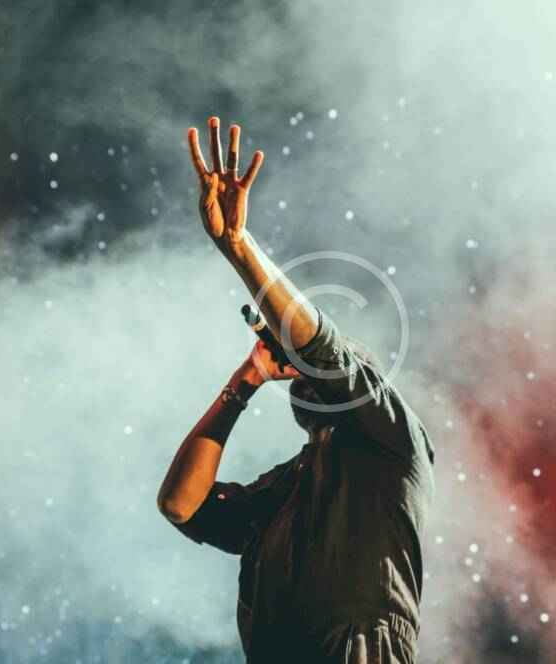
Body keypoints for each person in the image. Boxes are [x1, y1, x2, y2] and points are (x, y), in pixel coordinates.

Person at [157, 116, 436, 663]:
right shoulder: (285, 486)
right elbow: (180, 505)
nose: (305, 368)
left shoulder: (393, 438)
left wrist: (239, 247)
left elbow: (323, 348)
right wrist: (244, 382)